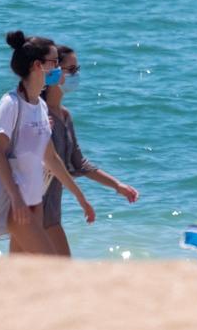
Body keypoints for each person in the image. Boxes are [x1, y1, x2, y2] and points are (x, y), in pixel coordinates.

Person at [0, 31, 95, 255]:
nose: (58, 68)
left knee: (20, 272)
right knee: (52, 267)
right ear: (38, 66)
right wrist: (16, 199)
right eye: (54, 62)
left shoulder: (39, 107)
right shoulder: (10, 104)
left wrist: (81, 198)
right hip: (18, 207)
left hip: (35, 203)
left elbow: (51, 158)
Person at [40, 44, 139, 256]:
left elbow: (79, 164)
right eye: (71, 70)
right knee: (59, 267)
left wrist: (117, 185)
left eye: (78, 69)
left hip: (50, 211)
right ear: (54, 72)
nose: (76, 75)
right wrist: (81, 198)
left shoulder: (64, 116)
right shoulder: (39, 114)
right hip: (33, 207)